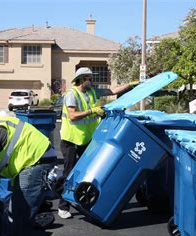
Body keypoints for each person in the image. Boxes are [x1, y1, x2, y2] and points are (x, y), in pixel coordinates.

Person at [57, 67, 137, 219]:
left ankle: (81, 199)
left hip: (87, 139)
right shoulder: (72, 95)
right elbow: (73, 116)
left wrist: (131, 85)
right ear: (81, 79)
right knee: (70, 173)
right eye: (89, 78)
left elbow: (112, 91)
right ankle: (63, 206)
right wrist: (92, 111)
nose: (91, 80)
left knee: (89, 171)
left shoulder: (92, 91)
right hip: (71, 140)